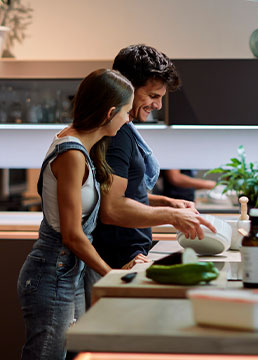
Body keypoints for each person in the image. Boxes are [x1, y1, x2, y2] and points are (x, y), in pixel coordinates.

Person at [17, 69, 137, 360]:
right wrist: (111, 275)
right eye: (127, 112)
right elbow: (72, 235)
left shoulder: (81, 145)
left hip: (68, 274)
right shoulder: (72, 154)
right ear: (110, 113)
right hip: (52, 275)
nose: (129, 120)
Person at [91, 44, 216, 272]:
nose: (157, 105)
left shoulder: (123, 130)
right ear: (127, 87)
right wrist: (172, 216)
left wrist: (169, 203)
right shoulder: (117, 136)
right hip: (118, 262)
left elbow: (128, 195)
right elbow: (111, 208)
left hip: (130, 258)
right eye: (152, 96)